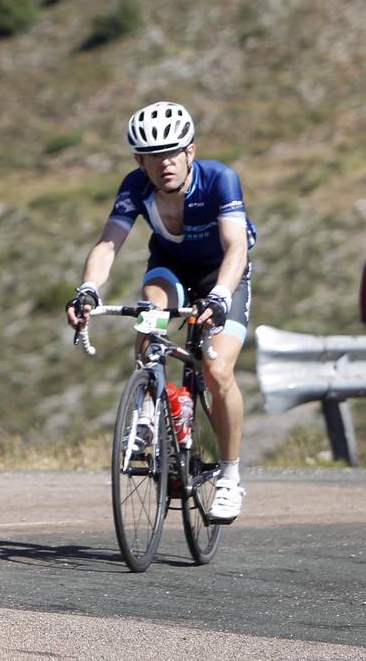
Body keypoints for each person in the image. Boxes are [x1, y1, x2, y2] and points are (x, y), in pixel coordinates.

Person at [66, 101, 255, 522]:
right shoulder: (135, 186)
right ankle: (148, 406)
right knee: (151, 306)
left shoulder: (220, 178)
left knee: (217, 370)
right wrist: (87, 290)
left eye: (173, 152)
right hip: (170, 269)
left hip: (221, 274)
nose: (164, 162)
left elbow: (236, 247)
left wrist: (221, 296)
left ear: (190, 151)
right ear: (140, 161)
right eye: (154, 156)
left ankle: (229, 476)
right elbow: (109, 242)